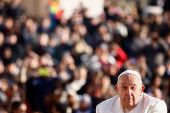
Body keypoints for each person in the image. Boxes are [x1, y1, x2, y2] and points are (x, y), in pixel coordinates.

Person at [96, 70, 167, 113]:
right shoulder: (103, 108)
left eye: (133, 88)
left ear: (141, 89)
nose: (129, 92)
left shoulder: (156, 106)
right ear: (117, 89)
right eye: (124, 87)